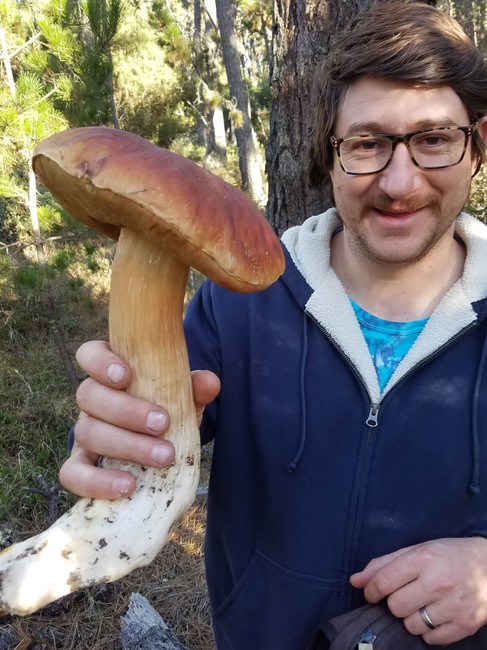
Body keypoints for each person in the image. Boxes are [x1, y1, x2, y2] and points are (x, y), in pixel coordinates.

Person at [61, 3, 487, 648]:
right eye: (368, 143)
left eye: (433, 139)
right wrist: (103, 439)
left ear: (478, 146)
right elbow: (135, 434)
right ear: (330, 154)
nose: (400, 182)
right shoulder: (238, 303)